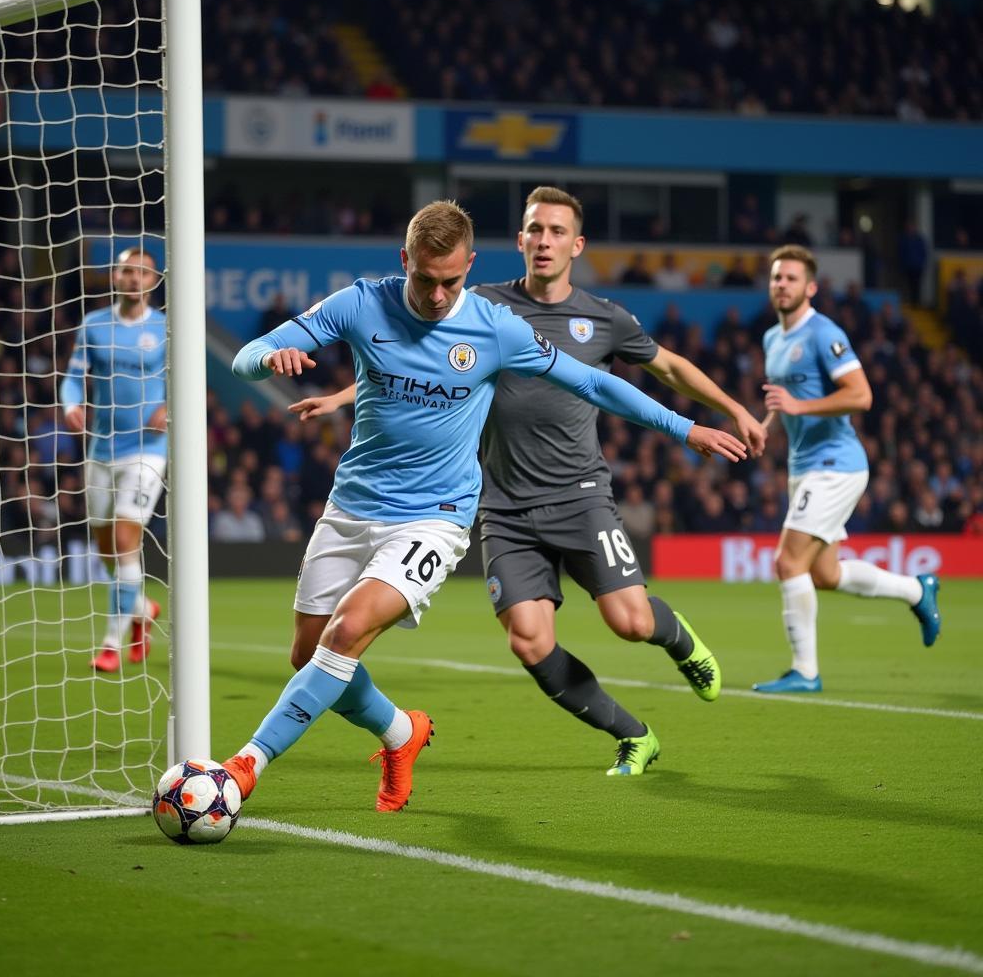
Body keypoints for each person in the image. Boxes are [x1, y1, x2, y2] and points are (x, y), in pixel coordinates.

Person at [220, 200, 747, 813]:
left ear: (469, 265)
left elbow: (595, 383)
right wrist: (271, 360)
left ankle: (243, 768)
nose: (439, 296)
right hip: (352, 505)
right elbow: (245, 356)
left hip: (437, 516)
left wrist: (686, 429)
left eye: (452, 280)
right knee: (307, 656)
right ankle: (400, 732)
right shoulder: (360, 303)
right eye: (425, 279)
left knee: (347, 633)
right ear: (404, 261)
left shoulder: (496, 328)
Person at [753, 244, 941, 694]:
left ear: (810, 287)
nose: (782, 284)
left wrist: (800, 404)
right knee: (824, 575)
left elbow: (861, 395)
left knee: (787, 562)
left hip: (836, 464)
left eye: (791, 278)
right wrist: (765, 424)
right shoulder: (772, 338)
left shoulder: (823, 333)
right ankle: (917, 590)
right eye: (777, 277)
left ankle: (805, 672)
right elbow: (785, 399)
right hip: (804, 465)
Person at [60, 247, 166, 672]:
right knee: (106, 548)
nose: (134, 278)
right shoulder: (94, 324)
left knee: (125, 542)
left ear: (154, 281)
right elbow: (72, 378)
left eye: (143, 272)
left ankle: (109, 644)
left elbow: (187, 379)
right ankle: (141, 609)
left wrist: (169, 408)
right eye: (127, 271)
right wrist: (70, 405)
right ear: (114, 277)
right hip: (101, 449)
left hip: (147, 449)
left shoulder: (166, 328)